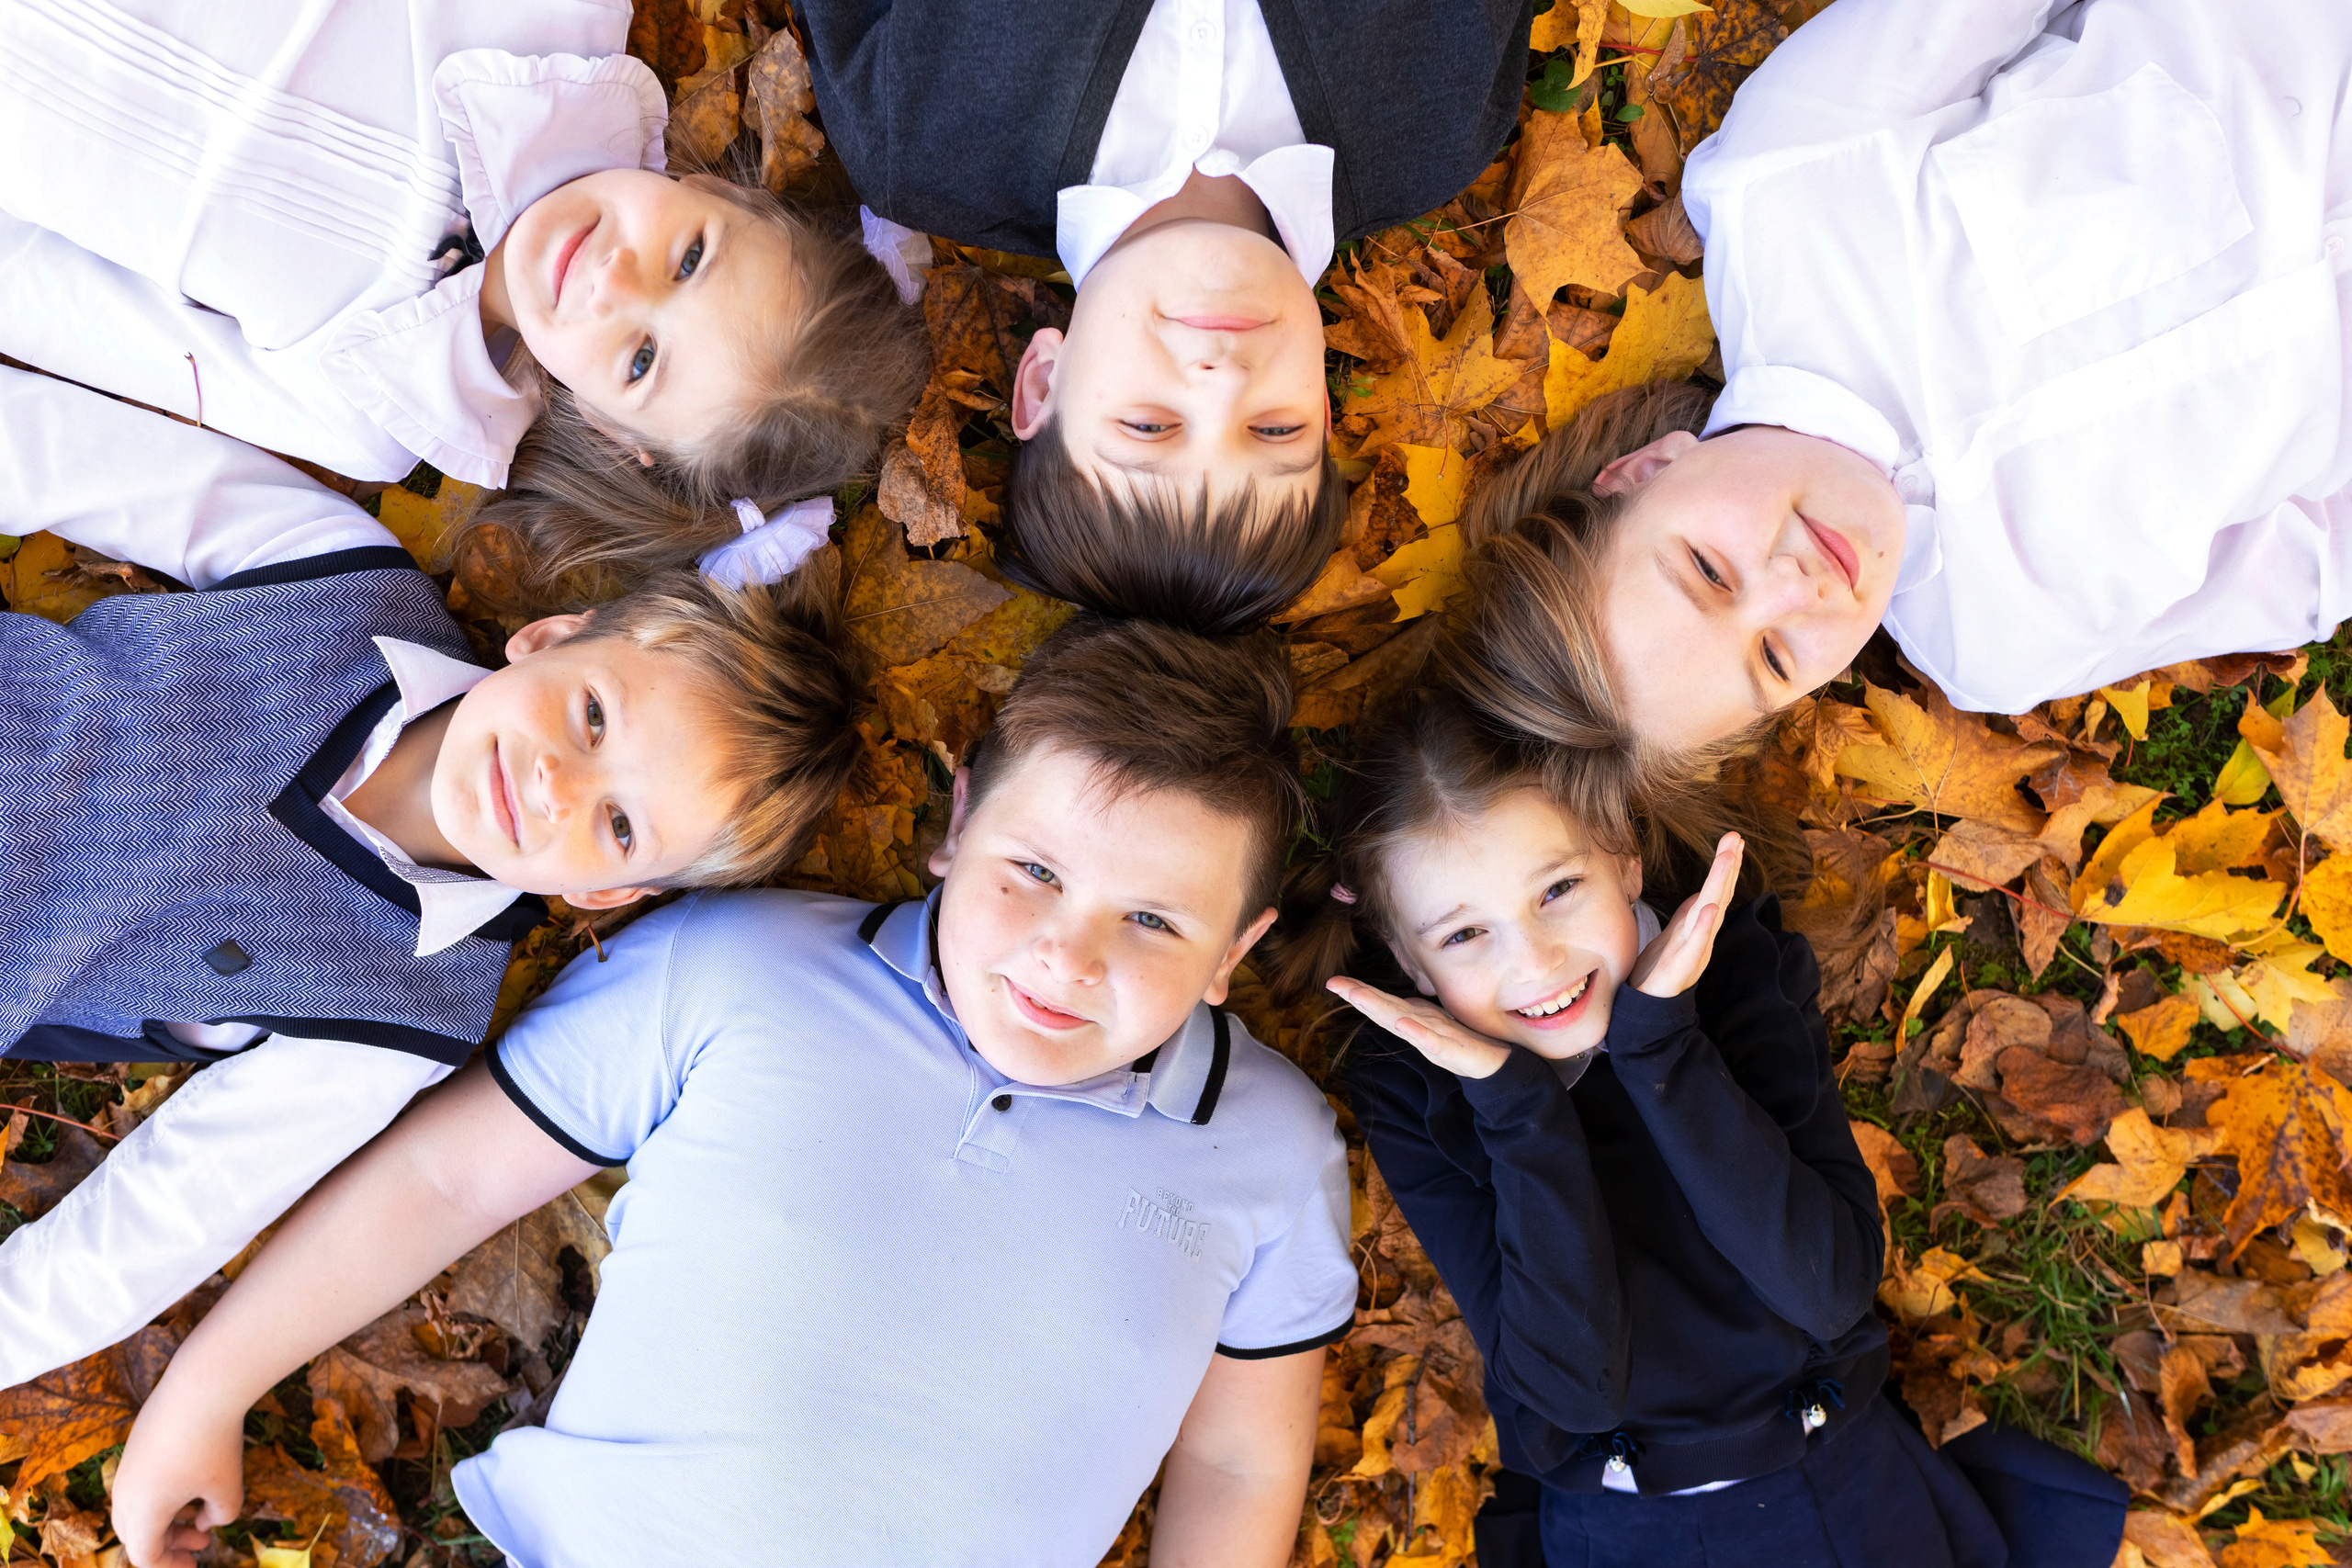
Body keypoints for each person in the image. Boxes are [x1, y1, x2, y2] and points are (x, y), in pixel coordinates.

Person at [107, 613, 1357, 1568]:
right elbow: (445, 1174)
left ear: (1234, 951)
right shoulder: (739, 965)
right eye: (1031, 870)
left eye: (1151, 918)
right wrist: (205, 1388)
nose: (1066, 955)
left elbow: (1238, 1456)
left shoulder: (1268, 1146)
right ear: (955, 825)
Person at [0, 365, 865, 1392]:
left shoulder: (400, 1013)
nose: (556, 783)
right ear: (549, 638)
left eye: (620, 823)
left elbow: (158, 1220)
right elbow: (59, 452)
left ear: (607, 893)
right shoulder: (336, 579)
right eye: (593, 717)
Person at [1264, 695, 2131, 1568]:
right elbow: (1575, 1389)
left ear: (1626, 859)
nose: (1533, 963)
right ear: (1411, 962)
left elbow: (1828, 1285)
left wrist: (1661, 1047)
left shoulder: (1736, 972)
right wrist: (1520, 1110)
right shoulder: (1422, 1094)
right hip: (1623, 1524)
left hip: (1837, 1484)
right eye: (1463, 934)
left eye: (1558, 890)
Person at [1451, 0, 2352, 764]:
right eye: (1771, 660)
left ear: (1643, 471)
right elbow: (2315, 564)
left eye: (1709, 569)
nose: (1793, 589)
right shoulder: (1999, 646)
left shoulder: (1786, 186)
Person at [0, 0, 929, 598]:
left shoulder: (367, 400)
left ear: (613, 433)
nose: (614, 282)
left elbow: (62, 302)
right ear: (726, 196)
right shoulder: (551, 23)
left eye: (641, 360)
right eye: (688, 258)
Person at [796, 0, 1526, 628]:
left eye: (1149, 426)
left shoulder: (917, 136)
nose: (1220, 381)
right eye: (1276, 428)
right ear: (1325, 409)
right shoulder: (1440, 116)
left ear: (1043, 383)